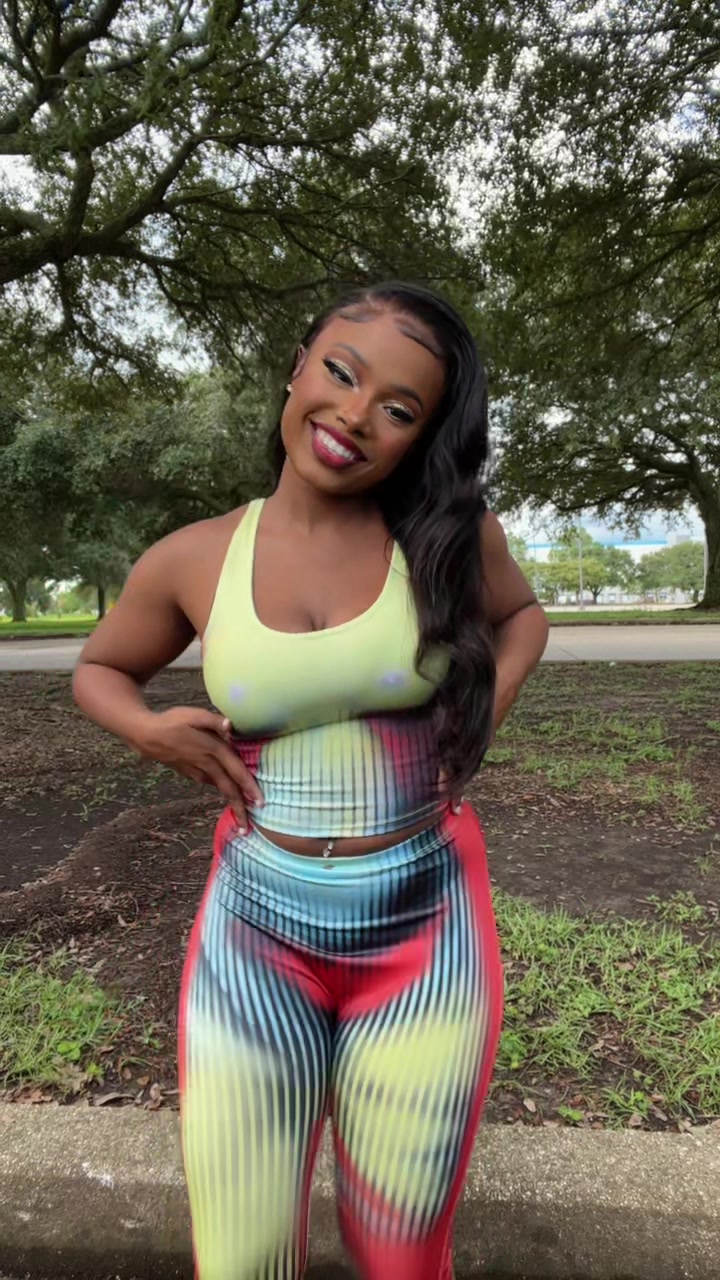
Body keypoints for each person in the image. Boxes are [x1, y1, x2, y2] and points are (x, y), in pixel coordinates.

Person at [73, 281, 548, 1280]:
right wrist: (150, 730)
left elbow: (522, 618)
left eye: (399, 408)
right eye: (341, 371)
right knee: (242, 1256)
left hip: (425, 933)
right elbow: (100, 668)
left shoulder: (447, 539)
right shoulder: (196, 556)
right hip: (256, 934)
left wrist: (483, 714)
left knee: (400, 1252)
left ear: (421, 437)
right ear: (298, 368)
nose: (355, 414)